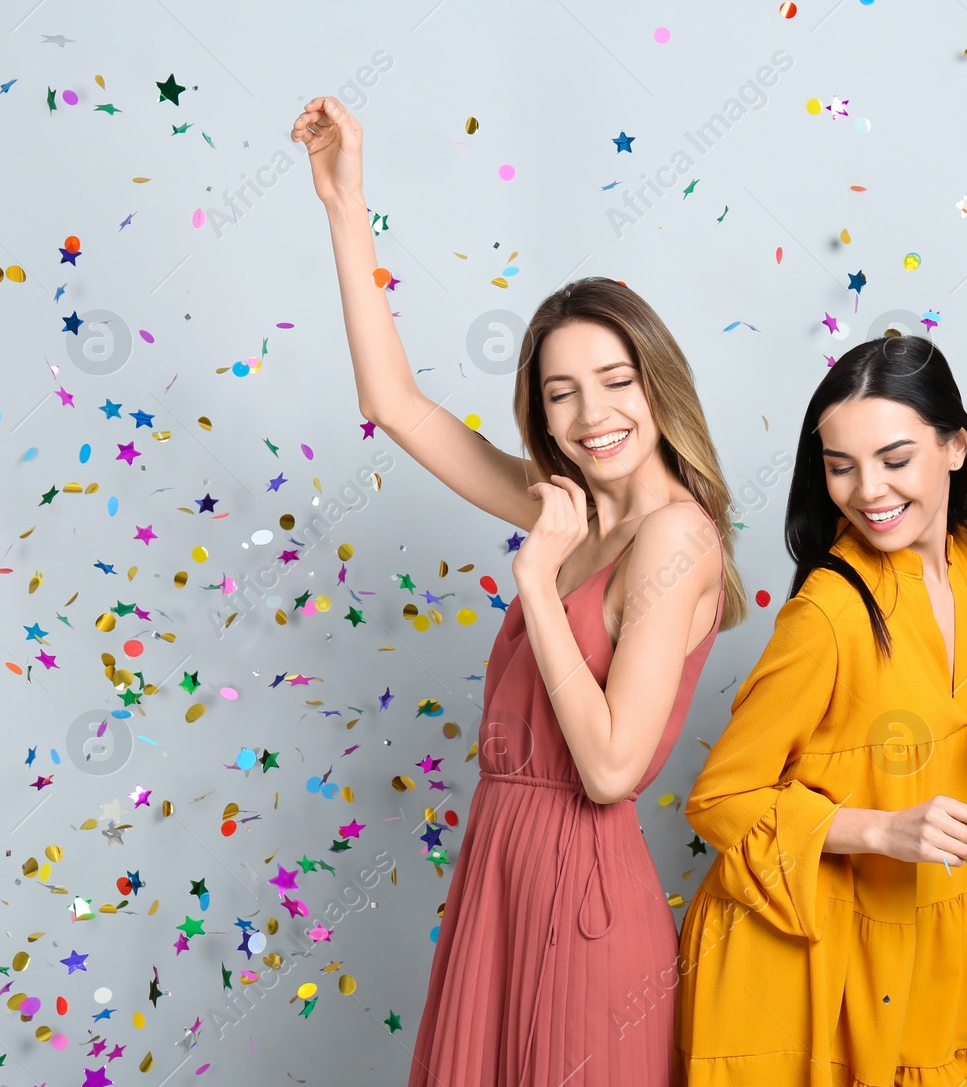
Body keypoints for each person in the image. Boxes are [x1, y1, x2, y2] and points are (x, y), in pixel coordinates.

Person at [290, 95, 747, 1087]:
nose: (592, 412)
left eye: (615, 378)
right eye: (559, 391)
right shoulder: (571, 506)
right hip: (502, 871)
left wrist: (538, 581)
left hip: (581, 897)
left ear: (656, 382)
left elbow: (613, 767)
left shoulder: (674, 534)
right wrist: (343, 203)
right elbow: (396, 406)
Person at [672, 335, 967, 1086]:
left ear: (955, 446)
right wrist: (880, 829)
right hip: (814, 964)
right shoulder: (829, 612)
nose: (867, 491)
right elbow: (720, 797)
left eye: (894, 459)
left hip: (949, 946)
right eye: (840, 466)